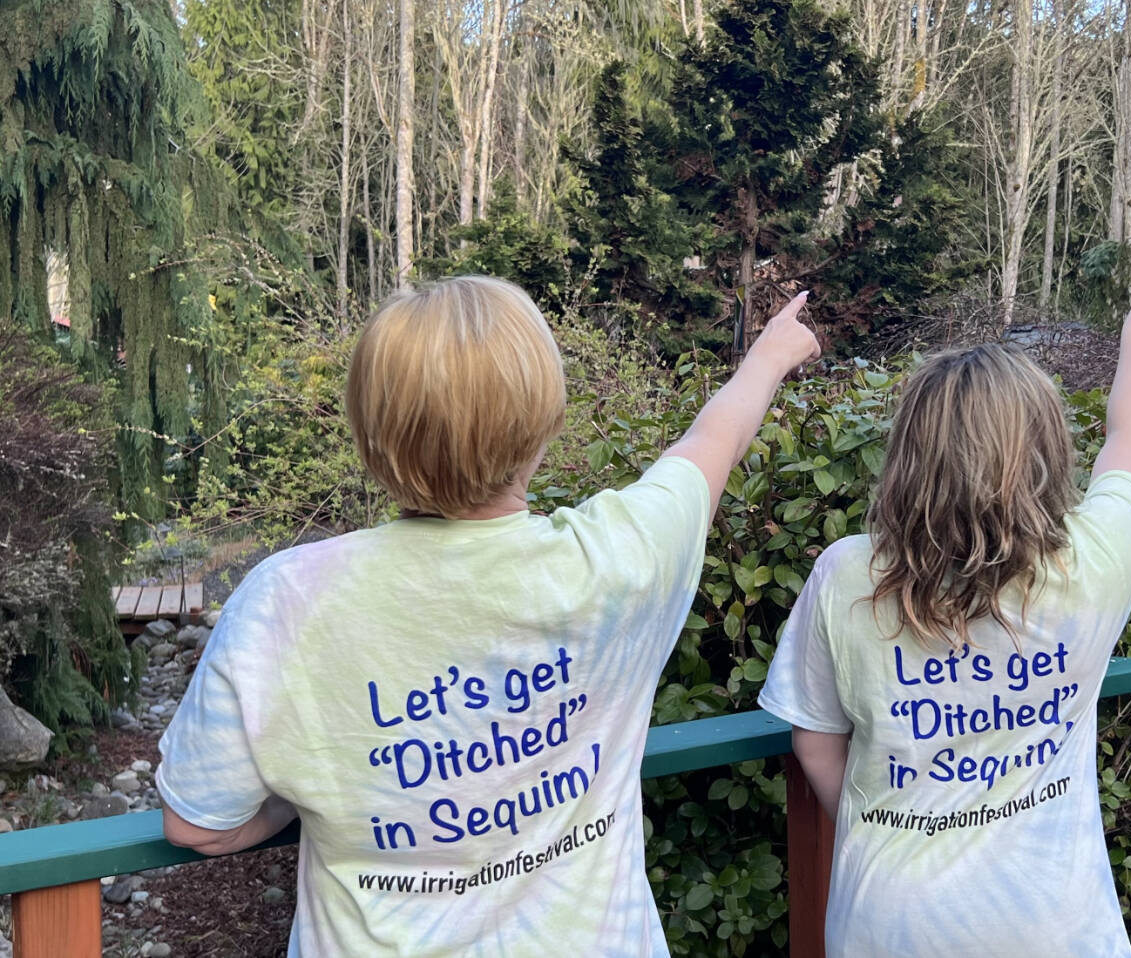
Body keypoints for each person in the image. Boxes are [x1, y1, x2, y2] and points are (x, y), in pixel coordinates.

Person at [156, 276, 819, 958]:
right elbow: (713, 442)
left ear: (369, 434)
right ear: (545, 418)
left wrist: (312, 798)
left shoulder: (286, 600)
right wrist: (768, 356)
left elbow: (197, 823)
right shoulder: (622, 558)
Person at [759, 266, 1131, 958]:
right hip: (1054, 925)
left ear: (906, 459)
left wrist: (883, 827)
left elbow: (814, 736)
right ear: (1046, 454)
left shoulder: (846, 577)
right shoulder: (1093, 562)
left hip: (889, 924)